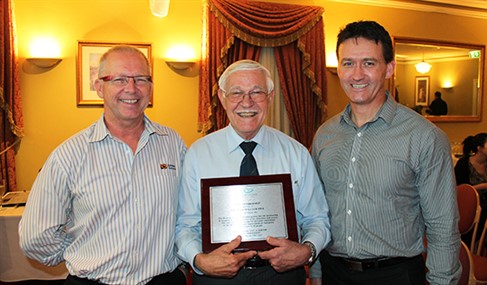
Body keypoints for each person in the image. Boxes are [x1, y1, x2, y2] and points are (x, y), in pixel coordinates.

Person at [19, 46, 187, 285]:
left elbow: (189, 213)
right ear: (99, 87)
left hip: (163, 281)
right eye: (119, 79)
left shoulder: (173, 144)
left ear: (150, 88)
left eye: (141, 79)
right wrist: (80, 245)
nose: (131, 89)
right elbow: (35, 238)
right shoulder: (68, 155)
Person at [311, 20, 461, 285]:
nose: (357, 75)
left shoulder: (425, 137)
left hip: (395, 275)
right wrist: (316, 273)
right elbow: (317, 212)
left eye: (369, 63)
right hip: (333, 271)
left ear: (389, 68)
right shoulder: (325, 134)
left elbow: (442, 226)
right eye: (348, 63)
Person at [175, 59, 331, 285]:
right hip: (216, 278)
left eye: (256, 92)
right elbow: (185, 224)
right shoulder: (198, 154)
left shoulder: (296, 153)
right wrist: (199, 260)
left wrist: (307, 250)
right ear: (222, 98)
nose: (246, 102)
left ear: (270, 97)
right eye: (236, 93)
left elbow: (317, 218)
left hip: (282, 276)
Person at [454, 133, 487, 246]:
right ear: (479, 148)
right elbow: (458, 190)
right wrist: (483, 186)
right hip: (470, 204)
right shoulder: (463, 164)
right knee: (486, 216)